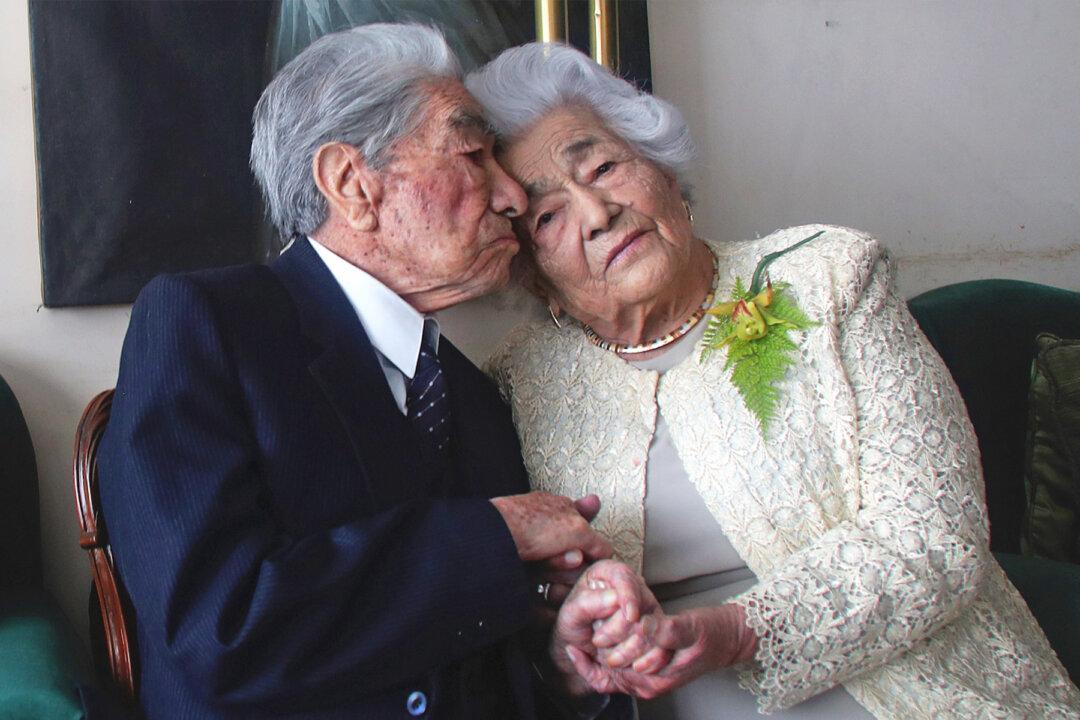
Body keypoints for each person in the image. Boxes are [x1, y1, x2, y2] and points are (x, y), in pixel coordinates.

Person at [466, 42, 1080, 718]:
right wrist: (569, 649)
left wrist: (730, 632)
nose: (596, 211)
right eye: (548, 216)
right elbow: (524, 616)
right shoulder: (518, 381)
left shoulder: (830, 280)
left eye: (606, 166)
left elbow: (934, 538)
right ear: (531, 274)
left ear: (665, 171)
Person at [97, 24, 632, 719]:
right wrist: (497, 536)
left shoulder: (472, 395)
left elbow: (474, 663)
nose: (514, 198)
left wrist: (564, 668)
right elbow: (219, 632)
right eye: (473, 155)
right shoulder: (206, 326)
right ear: (353, 184)